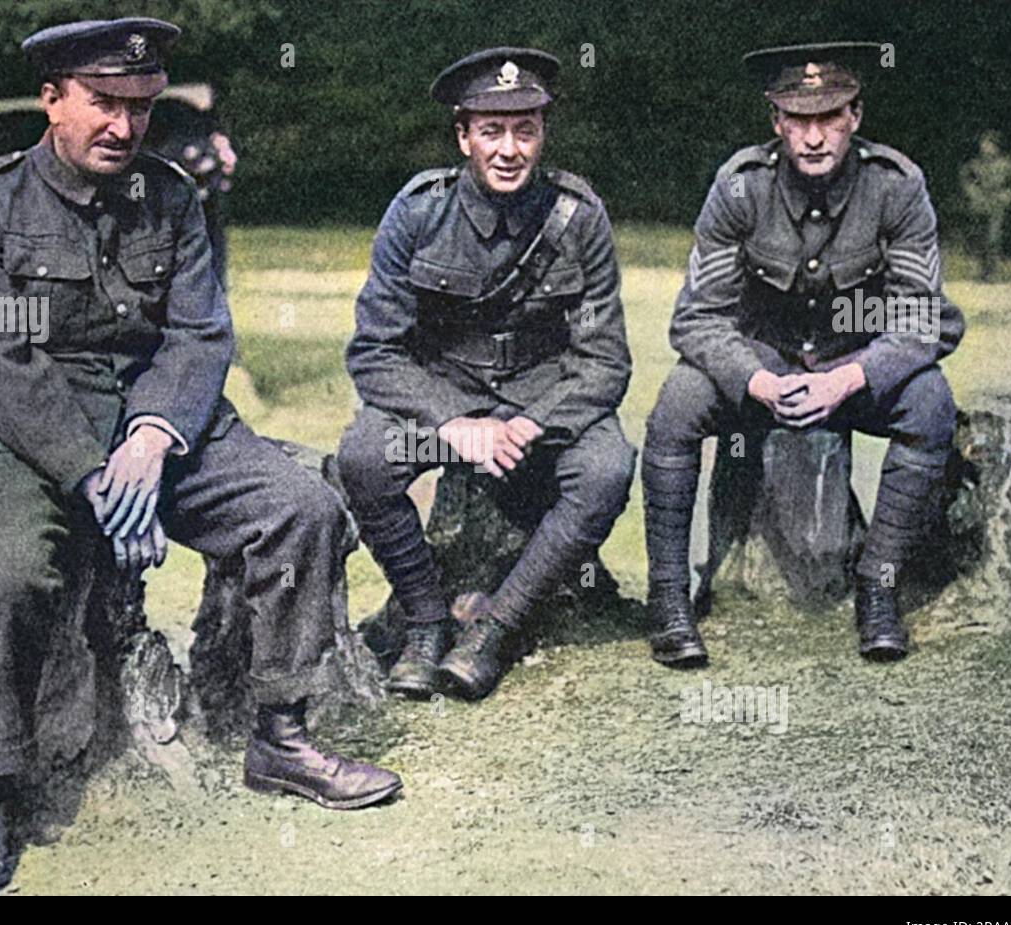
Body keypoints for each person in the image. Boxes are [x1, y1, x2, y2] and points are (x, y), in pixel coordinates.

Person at [0, 17, 400, 893]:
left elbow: (198, 333)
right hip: (24, 435)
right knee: (7, 573)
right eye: (104, 103)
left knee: (299, 506)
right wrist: (91, 472)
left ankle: (281, 734)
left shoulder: (172, 197)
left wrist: (151, 438)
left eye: (141, 107)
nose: (124, 126)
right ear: (52, 98)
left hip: (163, 426)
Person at [642, 42, 965, 667]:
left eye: (829, 117)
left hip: (854, 364)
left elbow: (921, 319)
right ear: (777, 124)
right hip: (767, 364)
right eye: (799, 120)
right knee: (678, 404)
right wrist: (756, 381)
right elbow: (698, 318)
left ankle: (878, 589)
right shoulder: (740, 187)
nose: (814, 137)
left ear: (855, 118)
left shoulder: (896, 186)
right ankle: (670, 599)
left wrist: (849, 378)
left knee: (929, 403)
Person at [337, 47, 635, 702]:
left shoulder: (578, 217)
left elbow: (606, 358)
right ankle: (425, 622)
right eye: (491, 130)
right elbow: (374, 351)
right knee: (364, 456)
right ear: (463, 135)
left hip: (542, 401)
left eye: (525, 130)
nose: (509, 149)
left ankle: (498, 629)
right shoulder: (419, 212)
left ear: (542, 134)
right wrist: (454, 424)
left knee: (607, 468)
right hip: (448, 406)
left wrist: (534, 421)